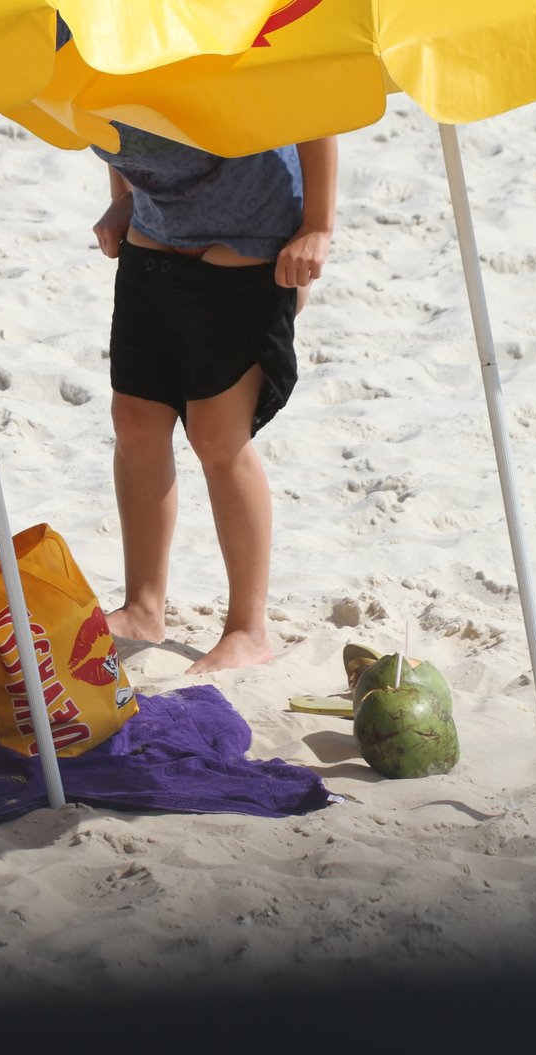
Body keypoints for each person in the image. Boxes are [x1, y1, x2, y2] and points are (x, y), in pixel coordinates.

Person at [90, 122, 338, 674]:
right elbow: (114, 114)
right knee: (135, 423)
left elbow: (312, 104)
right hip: (154, 228)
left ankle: (248, 630)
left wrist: (318, 226)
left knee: (216, 437)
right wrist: (124, 196)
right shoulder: (61, 67)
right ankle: (142, 608)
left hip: (251, 234)